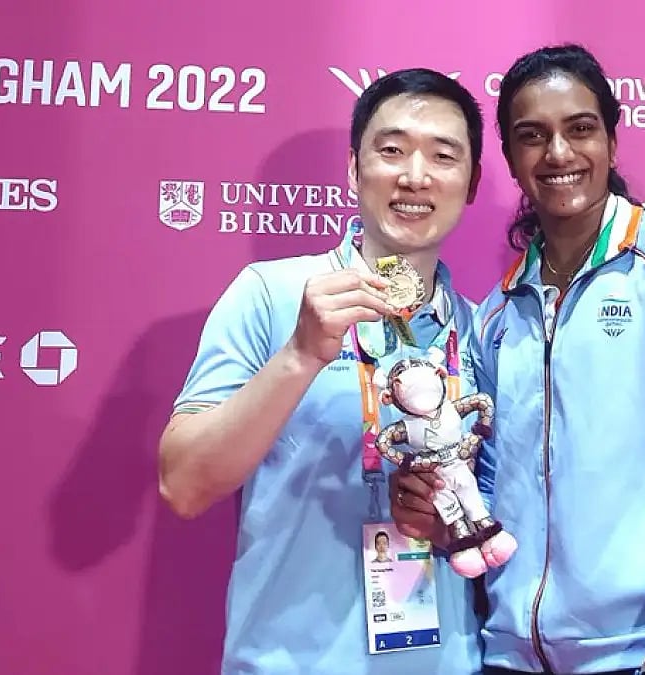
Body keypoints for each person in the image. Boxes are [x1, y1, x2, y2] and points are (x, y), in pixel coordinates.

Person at [390, 44, 645, 675]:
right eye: (532, 136)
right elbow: (490, 484)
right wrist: (441, 510)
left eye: (580, 129)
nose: (558, 154)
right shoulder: (498, 312)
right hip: (515, 655)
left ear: (612, 141)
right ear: (509, 159)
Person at [158, 68, 488, 674]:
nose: (415, 175)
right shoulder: (270, 294)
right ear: (352, 169)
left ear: (470, 186)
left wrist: (448, 527)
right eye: (391, 150)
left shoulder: (484, 331)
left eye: (444, 156)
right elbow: (184, 484)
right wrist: (301, 355)